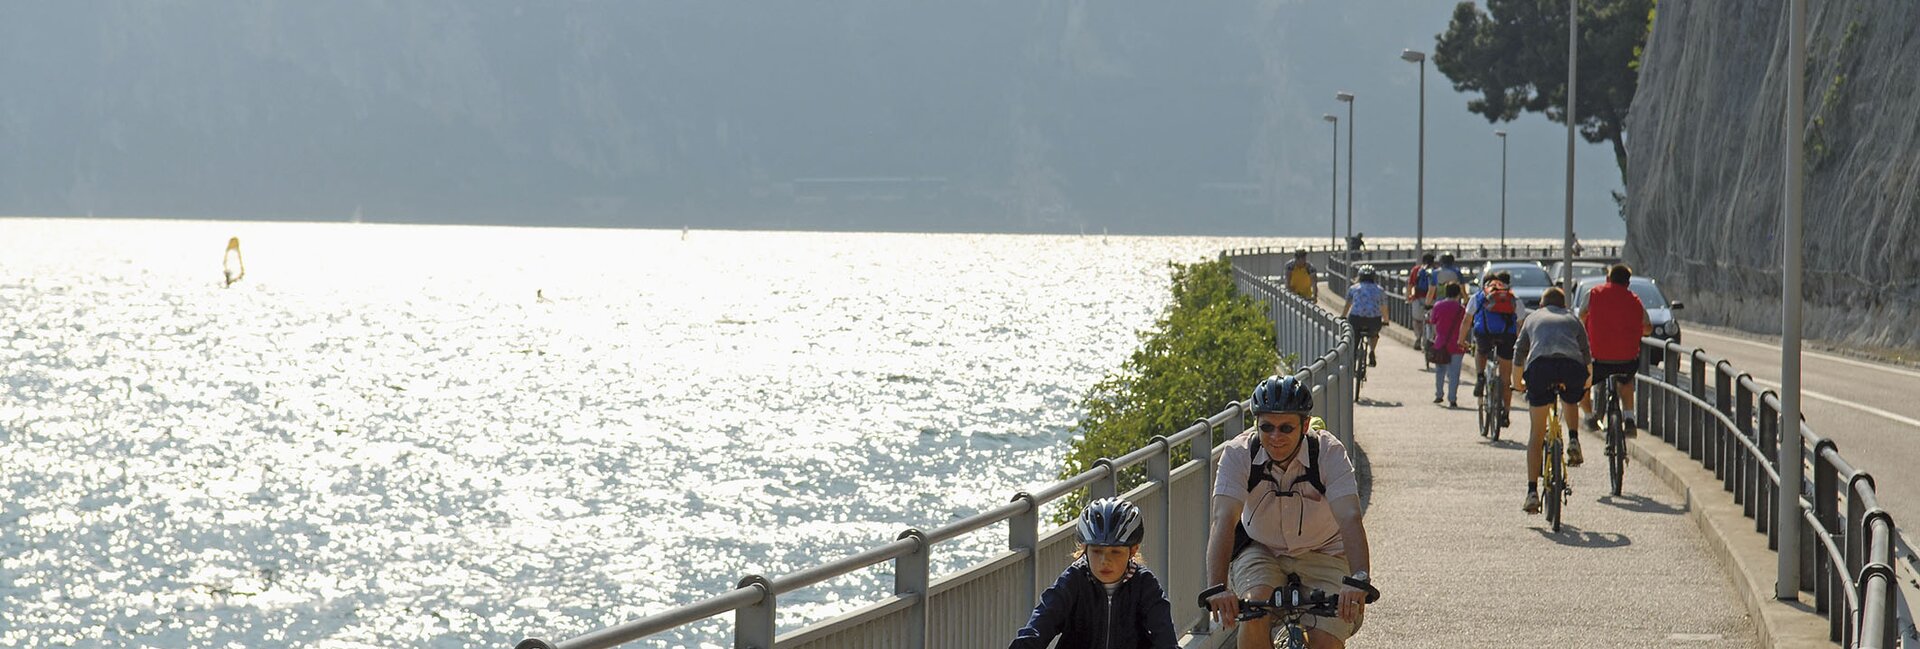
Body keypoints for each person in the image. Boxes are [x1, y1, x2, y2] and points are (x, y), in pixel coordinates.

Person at [1204, 376, 1374, 649]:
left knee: (1325, 640)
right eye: (1266, 427)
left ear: (1305, 426)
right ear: (1256, 425)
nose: (1275, 437)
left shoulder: (1328, 452)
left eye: (1286, 428)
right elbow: (1223, 520)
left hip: (1325, 551)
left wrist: (1358, 579)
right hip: (1261, 548)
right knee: (1254, 610)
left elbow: (1350, 517)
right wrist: (1217, 587)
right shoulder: (1238, 454)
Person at [1011, 498, 1178, 649]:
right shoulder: (1073, 581)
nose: (1105, 560)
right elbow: (1039, 626)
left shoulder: (1145, 584)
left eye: (1115, 552)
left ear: (1133, 550)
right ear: (1084, 549)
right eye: (1097, 551)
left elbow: (1165, 637)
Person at [1512, 287, 1591, 514]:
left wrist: (1517, 383)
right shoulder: (1573, 320)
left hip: (1540, 369)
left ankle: (1531, 493)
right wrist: (1585, 384)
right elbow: (1586, 354)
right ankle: (1574, 439)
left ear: (1542, 304)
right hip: (1572, 368)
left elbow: (1519, 353)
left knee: (1536, 433)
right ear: (1564, 305)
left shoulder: (1532, 318)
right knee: (1570, 397)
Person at [1580, 264, 1653, 435]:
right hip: (1627, 360)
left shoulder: (1593, 294)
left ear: (1608, 279)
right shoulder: (1635, 300)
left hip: (1598, 359)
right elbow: (1648, 328)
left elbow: (1582, 316)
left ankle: (1590, 418)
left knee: (1583, 383)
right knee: (1626, 382)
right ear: (1628, 283)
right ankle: (1629, 419)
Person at [1460, 271, 1527, 426]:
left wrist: (1461, 340)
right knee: (1505, 379)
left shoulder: (1478, 297)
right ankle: (1506, 413)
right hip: (1507, 337)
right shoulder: (1514, 299)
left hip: (1485, 335)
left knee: (1480, 350)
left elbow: (1466, 321)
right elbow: (1521, 325)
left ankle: (1480, 376)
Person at [1429, 283, 1468, 407]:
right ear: (1458, 294)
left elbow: (1433, 325)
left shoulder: (1438, 306)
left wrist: (1437, 337)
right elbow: (1465, 326)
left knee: (1440, 370)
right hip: (1457, 344)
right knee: (1454, 373)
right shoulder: (1461, 309)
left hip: (1441, 343)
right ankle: (1452, 398)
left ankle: (1439, 394)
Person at [1340, 266, 1385, 367]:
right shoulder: (1379, 290)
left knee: (1354, 337)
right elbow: (1384, 307)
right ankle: (1372, 351)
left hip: (1356, 319)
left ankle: (1353, 356)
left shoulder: (1353, 288)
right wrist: (1386, 320)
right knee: (1374, 334)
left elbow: (1348, 304)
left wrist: (1343, 316)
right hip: (1374, 320)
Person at [1407, 253, 1436, 351]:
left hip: (1418, 299)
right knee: (1433, 321)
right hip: (1433, 299)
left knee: (1417, 320)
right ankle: (1430, 340)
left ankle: (1418, 337)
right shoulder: (1435, 271)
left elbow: (1410, 285)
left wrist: (1409, 297)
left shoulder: (1416, 270)